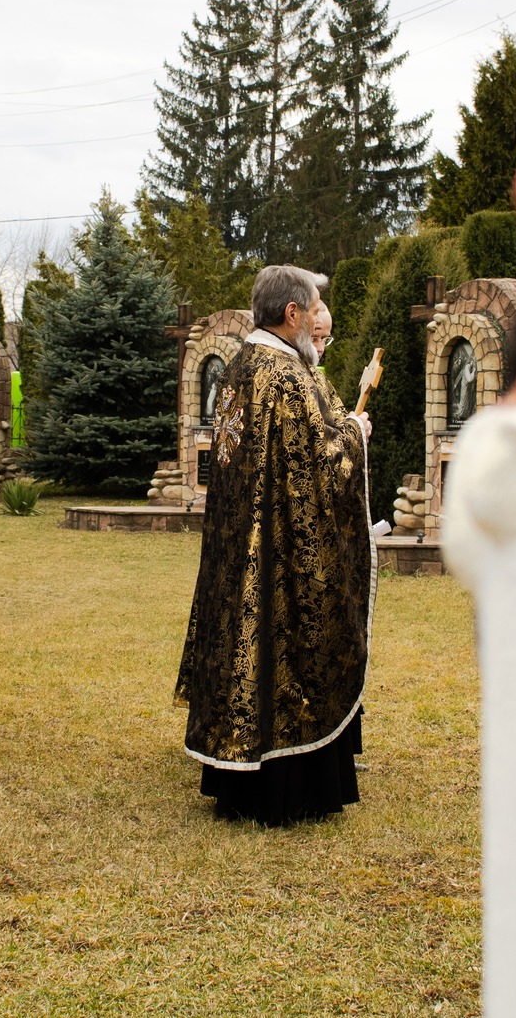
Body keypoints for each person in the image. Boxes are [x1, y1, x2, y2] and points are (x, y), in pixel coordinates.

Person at [175, 265, 376, 826]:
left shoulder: (241, 364)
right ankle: (288, 785)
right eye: (311, 310)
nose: (315, 322)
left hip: (241, 541)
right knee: (283, 650)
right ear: (291, 314)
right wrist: (357, 435)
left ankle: (238, 773)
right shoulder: (285, 375)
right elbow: (322, 462)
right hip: (284, 550)